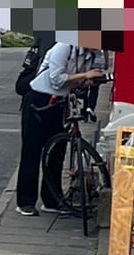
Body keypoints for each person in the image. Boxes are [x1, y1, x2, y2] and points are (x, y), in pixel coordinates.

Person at [16, 34, 106, 216]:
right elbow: (57, 79)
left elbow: (78, 81)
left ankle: (52, 200)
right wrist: (85, 75)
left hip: (62, 101)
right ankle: (25, 202)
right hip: (39, 99)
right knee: (32, 151)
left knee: (57, 152)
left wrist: (90, 80)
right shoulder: (64, 47)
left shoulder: (93, 56)